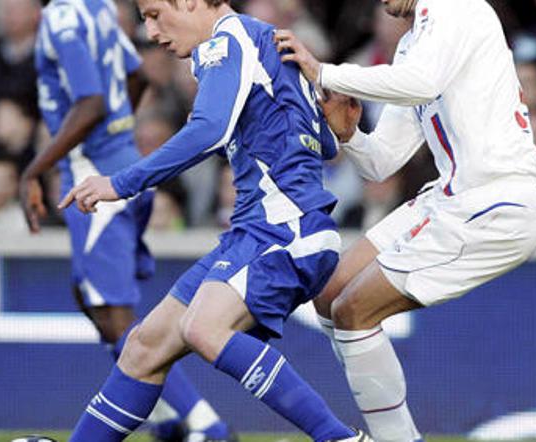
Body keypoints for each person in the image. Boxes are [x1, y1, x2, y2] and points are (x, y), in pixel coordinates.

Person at [58, 1, 370, 441]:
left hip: (282, 228)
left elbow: (209, 130)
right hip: (263, 230)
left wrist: (121, 183)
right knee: (144, 347)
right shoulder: (266, 41)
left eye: (153, 13)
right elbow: (318, 141)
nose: (151, 31)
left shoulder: (225, 42)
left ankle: (338, 437)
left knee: (203, 327)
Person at [274, 0, 536, 441]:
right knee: (329, 294)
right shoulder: (413, 46)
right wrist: (348, 135)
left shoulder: (459, 9)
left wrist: (324, 71)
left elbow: (420, 85)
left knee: (353, 311)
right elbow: (381, 163)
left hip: (497, 200)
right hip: (452, 196)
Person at [21, 1, 233, 440]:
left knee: (115, 315)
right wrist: (119, 140)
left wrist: (33, 169)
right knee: (89, 295)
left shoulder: (61, 18)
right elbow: (136, 76)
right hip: (121, 170)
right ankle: (166, 421)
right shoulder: (96, 9)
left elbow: (92, 103)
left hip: (95, 184)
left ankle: (208, 428)